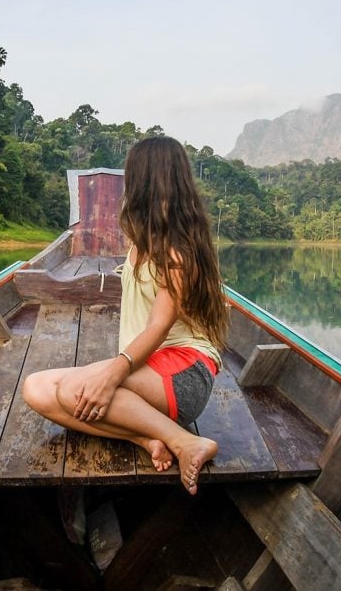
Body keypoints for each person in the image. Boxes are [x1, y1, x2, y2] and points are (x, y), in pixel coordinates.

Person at [22, 136, 228, 495]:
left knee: (73, 390)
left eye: (132, 177)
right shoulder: (141, 242)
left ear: (145, 181)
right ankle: (147, 438)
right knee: (36, 390)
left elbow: (159, 326)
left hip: (185, 372)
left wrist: (112, 372)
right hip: (148, 368)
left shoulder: (177, 251)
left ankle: (184, 441)